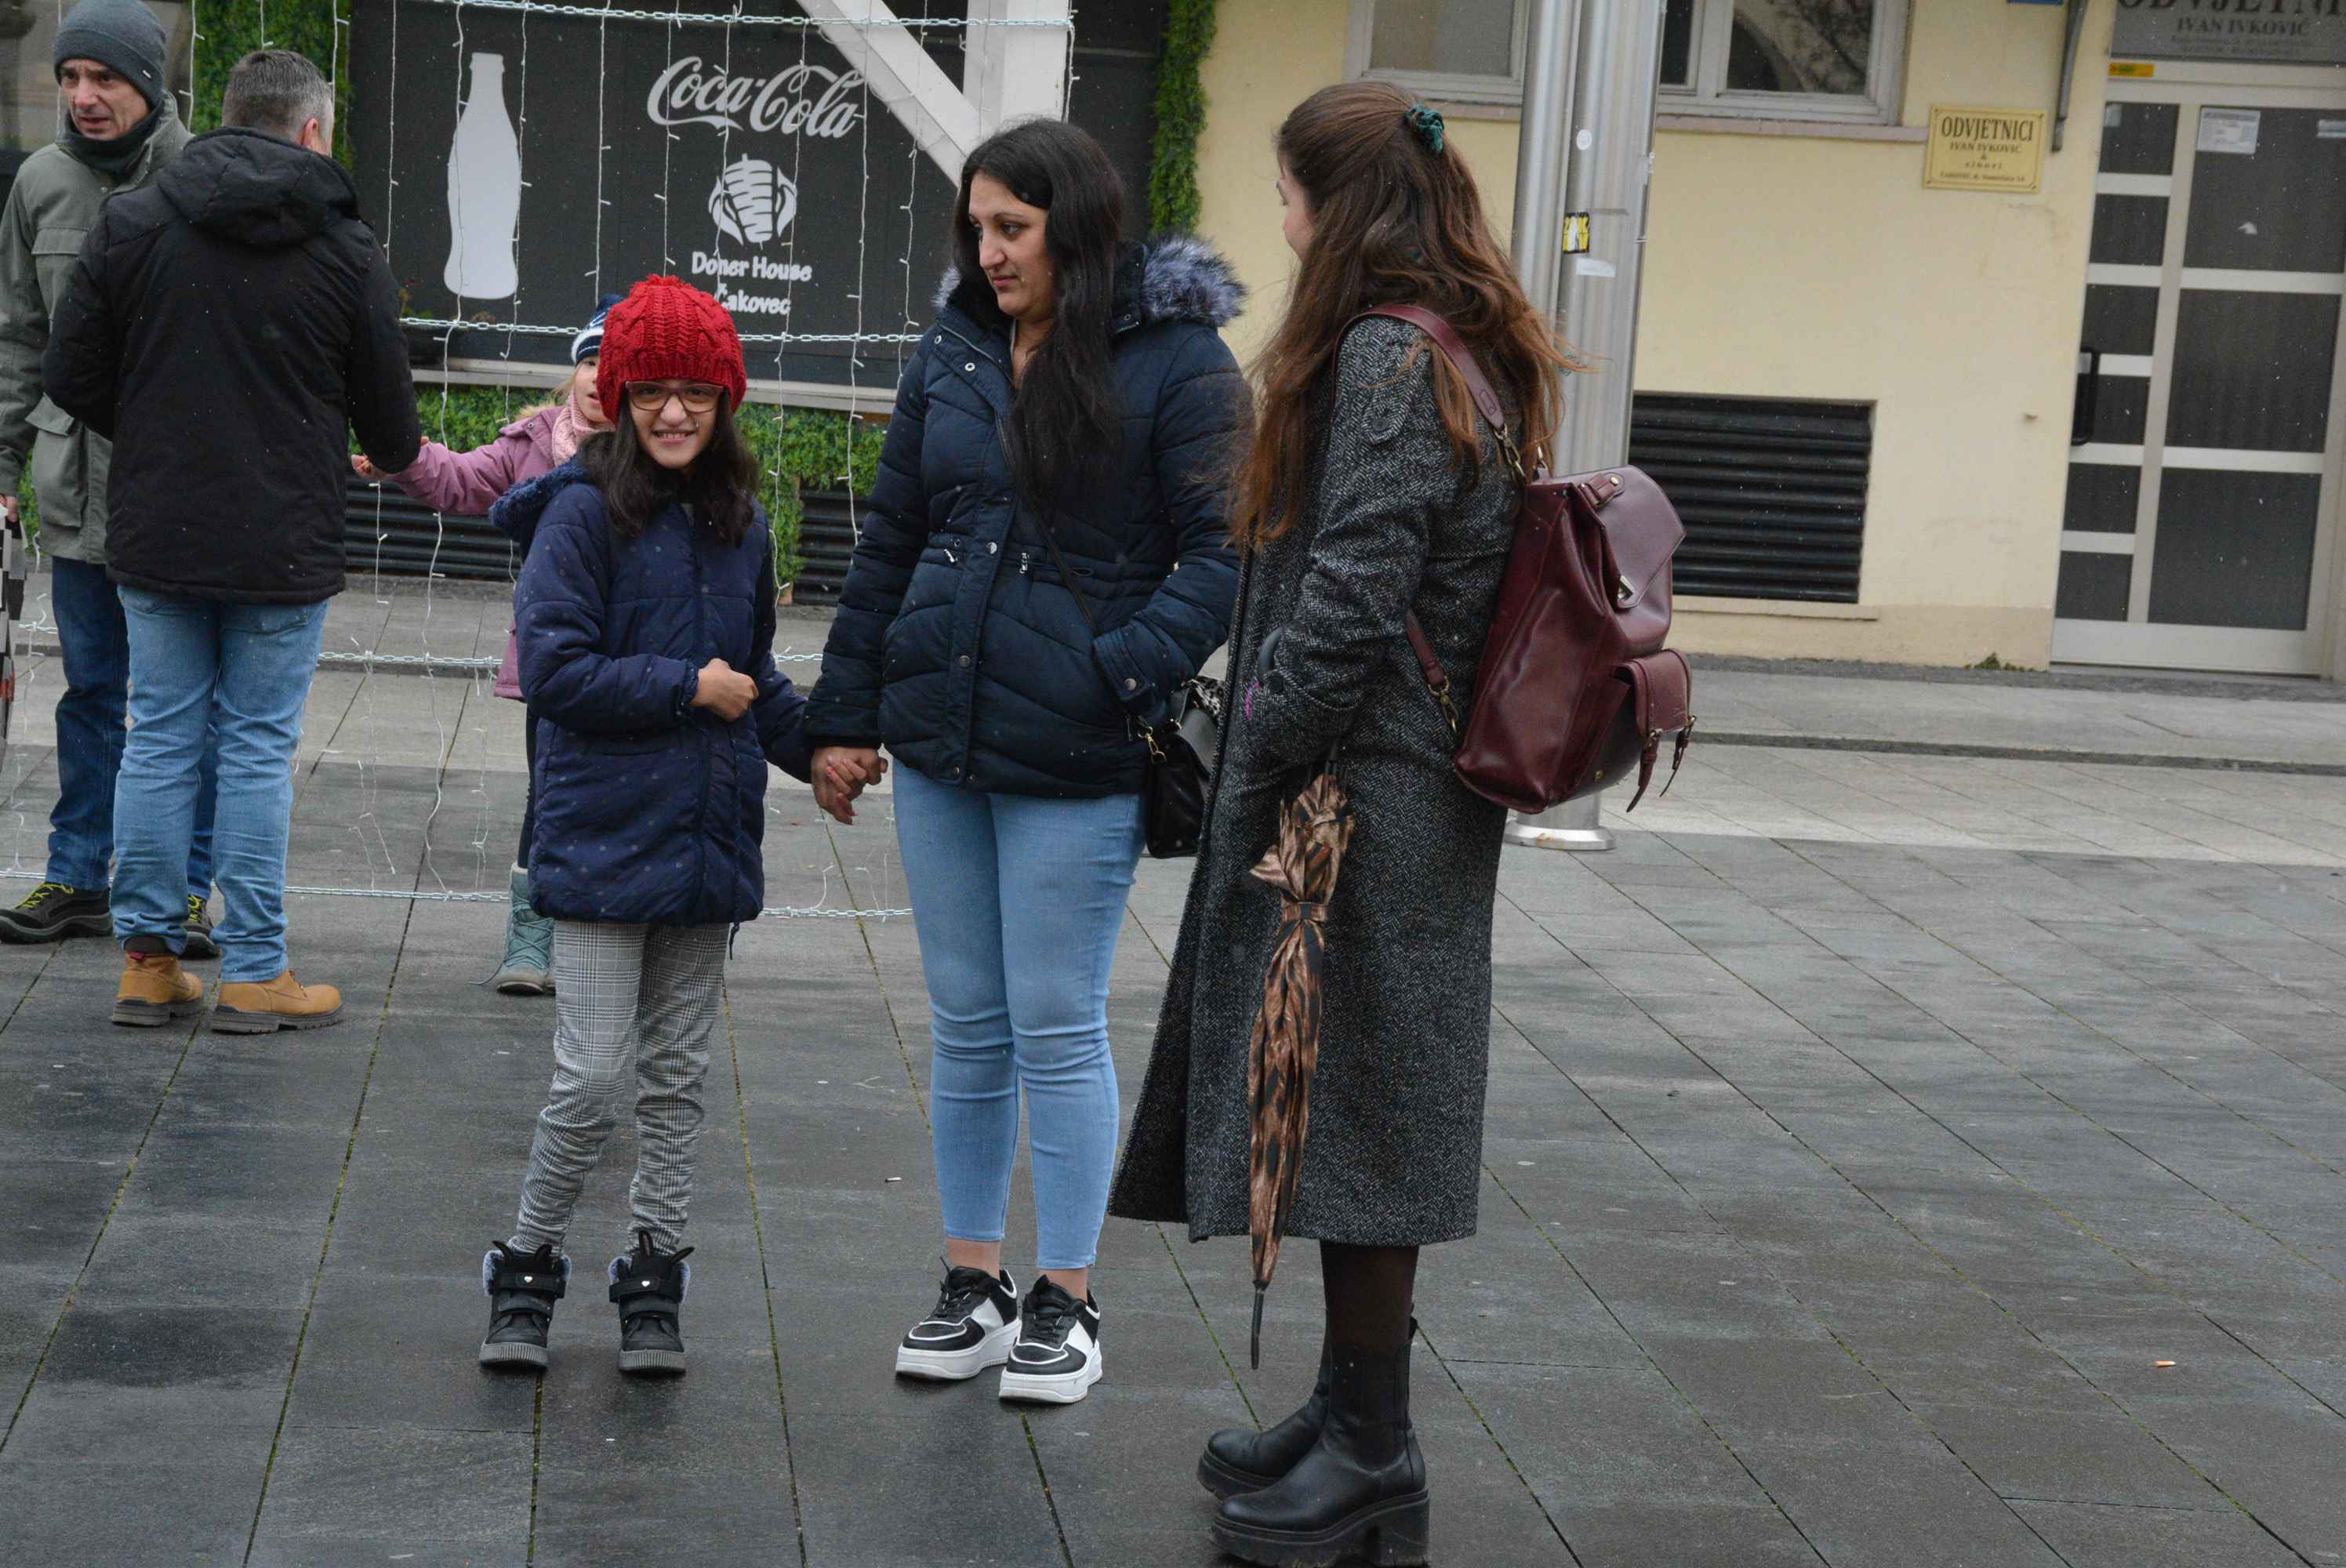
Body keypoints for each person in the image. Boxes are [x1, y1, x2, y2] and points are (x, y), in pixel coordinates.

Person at [1107, 82, 1575, 1566]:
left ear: (1342, 207)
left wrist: (1247, 747)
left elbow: (1354, 598)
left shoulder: (1386, 356)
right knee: (1346, 1103)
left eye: (1294, 195)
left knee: (1361, 1112)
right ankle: (1346, 1409)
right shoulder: (1464, 344)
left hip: (1362, 804)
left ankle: (1373, 1446)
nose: (1285, 221)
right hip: (1398, 796)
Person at [803, 118, 1245, 1407]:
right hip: (941, 737)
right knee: (966, 1025)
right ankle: (972, 1280)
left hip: (1078, 750)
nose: (987, 253)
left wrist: (1114, 673)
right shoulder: (954, 343)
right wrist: (843, 713)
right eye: (976, 228)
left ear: (1079, 226)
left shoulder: (1176, 360)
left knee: (1054, 1023)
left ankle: (1067, 1296)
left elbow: (1226, 555)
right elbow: (890, 534)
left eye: (1013, 229)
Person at [473, 274, 837, 1377]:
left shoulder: (744, 525)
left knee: (676, 1082)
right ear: (618, 399)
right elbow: (561, 670)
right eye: (651, 393)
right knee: (590, 1078)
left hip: (704, 845)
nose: (673, 414)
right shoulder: (579, 517)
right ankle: (527, 1264)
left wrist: (817, 749)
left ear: (727, 401)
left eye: (696, 393)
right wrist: (688, 687)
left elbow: (754, 678)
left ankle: (654, 1275)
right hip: (594, 844)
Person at [42, 48, 420, 1031]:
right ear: (310, 132)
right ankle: (256, 969)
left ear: (223, 117)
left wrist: (164, 431)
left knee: (158, 737)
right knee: (253, 749)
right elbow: (391, 427)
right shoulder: (348, 250)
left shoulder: (133, 222)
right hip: (282, 538)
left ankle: (147, 961)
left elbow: (70, 375)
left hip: (157, 522)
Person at [0, 0, 220, 956]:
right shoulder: (39, 182)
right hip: (70, 491)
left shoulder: (204, 177)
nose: (84, 97)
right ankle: (81, 874)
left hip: (179, 493)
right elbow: (19, 338)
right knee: (92, 690)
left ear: (151, 85)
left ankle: (185, 889)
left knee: (188, 701)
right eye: (71, 78)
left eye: (107, 80)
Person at [352, 294, 623, 996]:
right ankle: (529, 945)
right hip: (560, 654)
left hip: (640, 653)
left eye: (617, 363)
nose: (599, 376)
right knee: (551, 793)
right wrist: (400, 456)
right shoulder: (534, 442)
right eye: (590, 360)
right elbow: (464, 481)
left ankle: (626, 938)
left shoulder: (661, 451)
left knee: (635, 791)